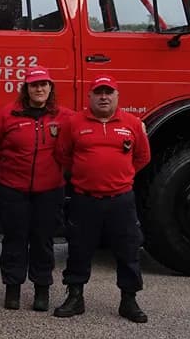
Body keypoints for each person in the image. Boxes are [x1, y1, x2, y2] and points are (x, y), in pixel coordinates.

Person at [53, 75, 152, 323]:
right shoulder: (74, 123)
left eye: (109, 92)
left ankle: (129, 300)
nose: (104, 97)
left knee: (128, 249)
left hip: (120, 200)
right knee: (79, 248)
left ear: (117, 96)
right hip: (85, 199)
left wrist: (120, 176)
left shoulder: (132, 123)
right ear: (90, 97)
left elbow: (142, 157)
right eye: (99, 92)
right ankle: (75, 297)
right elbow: (63, 155)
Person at [0, 67, 73, 312]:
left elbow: (93, 122)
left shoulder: (65, 117)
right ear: (25, 89)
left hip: (49, 191)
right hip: (13, 189)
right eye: (33, 85)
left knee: (43, 241)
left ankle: (41, 290)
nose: (39, 89)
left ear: (51, 88)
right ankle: (13, 289)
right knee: (14, 240)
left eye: (43, 85)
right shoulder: (7, 115)